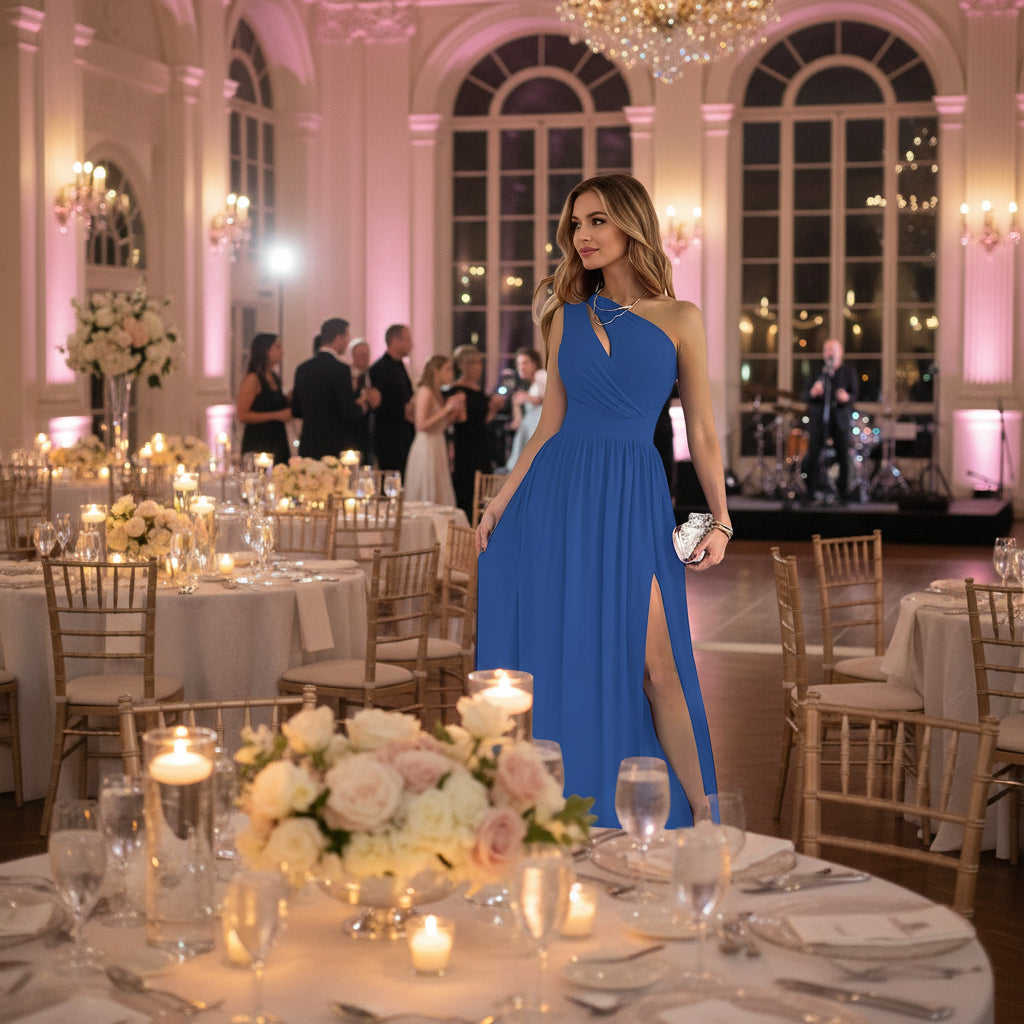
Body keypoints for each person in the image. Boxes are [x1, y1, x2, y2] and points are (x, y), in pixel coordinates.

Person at [476, 173, 731, 827]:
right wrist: (503, 498)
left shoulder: (682, 319)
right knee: (562, 653)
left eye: (597, 222)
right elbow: (549, 425)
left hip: (632, 496)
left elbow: (701, 428)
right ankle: (562, 801)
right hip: (557, 499)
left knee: (659, 664)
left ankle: (707, 816)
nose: (583, 236)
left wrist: (720, 519)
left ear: (631, 225)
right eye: (575, 225)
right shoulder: (563, 317)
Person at [291, 317, 374, 458]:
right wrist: (364, 403)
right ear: (339, 338)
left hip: (308, 445)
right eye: (347, 336)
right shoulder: (340, 370)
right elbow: (348, 413)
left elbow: (296, 410)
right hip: (333, 445)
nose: (347, 342)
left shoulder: (302, 369)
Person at [448, 344, 505, 519]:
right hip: (465, 445)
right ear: (463, 365)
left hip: (481, 443)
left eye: (480, 363)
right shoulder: (457, 390)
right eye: (473, 363)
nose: (478, 367)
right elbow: (458, 421)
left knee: (483, 490)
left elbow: (483, 420)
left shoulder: (478, 390)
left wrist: (494, 408)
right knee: (467, 487)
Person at [801, 337, 858, 503]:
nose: (830, 353)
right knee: (814, 454)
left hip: (840, 420)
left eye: (833, 350)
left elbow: (855, 395)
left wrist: (846, 397)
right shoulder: (817, 373)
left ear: (840, 353)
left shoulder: (848, 372)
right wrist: (813, 392)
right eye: (827, 350)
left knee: (843, 456)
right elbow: (805, 395)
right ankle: (811, 492)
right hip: (820, 420)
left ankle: (843, 494)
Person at [403, 355, 465, 506]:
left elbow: (440, 423)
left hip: (437, 444)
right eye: (448, 369)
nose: (451, 373)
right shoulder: (425, 391)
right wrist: (446, 409)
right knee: (426, 491)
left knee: (439, 490)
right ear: (436, 371)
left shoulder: (437, 391)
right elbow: (421, 425)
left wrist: (455, 411)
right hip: (426, 446)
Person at [236, 333, 293, 464]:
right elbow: (242, 414)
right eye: (278, 347)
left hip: (278, 439)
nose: (282, 351)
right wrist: (276, 415)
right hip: (259, 440)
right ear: (265, 350)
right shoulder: (253, 379)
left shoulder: (275, 377)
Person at [369, 324, 415, 473]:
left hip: (403, 435)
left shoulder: (400, 365)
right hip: (389, 438)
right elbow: (378, 405)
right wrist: (404, 410)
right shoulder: (379, 368)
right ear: (395, 340)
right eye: (407, 339)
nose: (411, 344)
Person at [504, 348, 547, 471]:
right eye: (519, 364)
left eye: (526, 363)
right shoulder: (525, 385)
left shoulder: (541, 375)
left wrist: (527, 398)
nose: (521, 367)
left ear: (535, 363)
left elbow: (551, 399)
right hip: (530, 430)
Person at [348, 338, 380, 463]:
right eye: (360, 355)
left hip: (370, 430)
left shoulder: (372, 374)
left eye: (366, 355)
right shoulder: (346, 377)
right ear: (352, 356)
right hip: (353, 431)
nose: (364, 358)